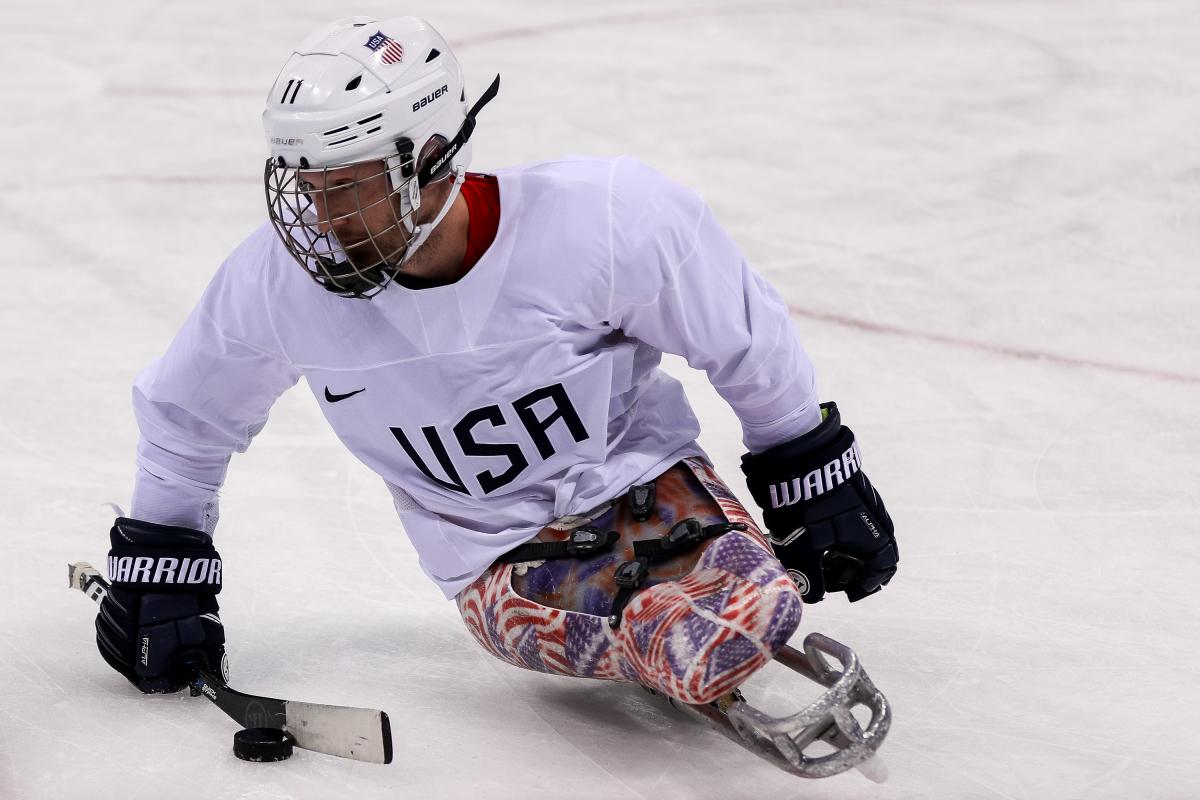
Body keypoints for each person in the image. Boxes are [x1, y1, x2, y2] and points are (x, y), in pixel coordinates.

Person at [95, 16, 898, 713]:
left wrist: (805, 461)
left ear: (433, 156)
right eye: (309, 188)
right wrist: (163, 566)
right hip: (498, 559)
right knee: (693, 631)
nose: (324, 220)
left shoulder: (604, 221)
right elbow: (188, 420)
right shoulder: (274, 284)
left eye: (351, 188)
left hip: (650, 484)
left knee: (742, 604)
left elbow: (740, 331)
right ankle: (657, 621)